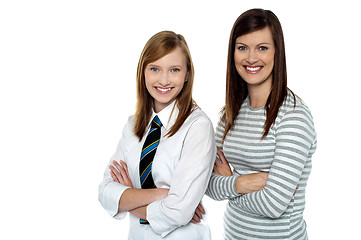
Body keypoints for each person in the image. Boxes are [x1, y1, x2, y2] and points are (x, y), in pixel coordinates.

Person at [206, 8, 317, 239]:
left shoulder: (293, 116)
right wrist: (243, 183)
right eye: (242, 48)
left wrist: (229, 183)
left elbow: (274, 205)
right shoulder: (229, 114)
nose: (251, 58)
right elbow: (207, 185)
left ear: (278, 52)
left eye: (263, 48)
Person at [98, 31, 216, 239]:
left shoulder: (197, 127)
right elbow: (106, 192)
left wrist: (129, 197)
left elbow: (178, 213)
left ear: (187, 73)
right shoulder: (133, 126)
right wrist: (161, 195)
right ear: (143, 71)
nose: (164, 80)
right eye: (155, 69)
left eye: (174, 70)